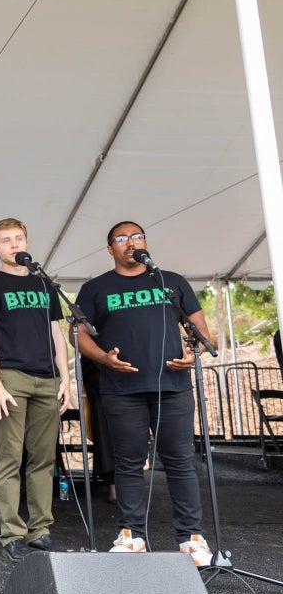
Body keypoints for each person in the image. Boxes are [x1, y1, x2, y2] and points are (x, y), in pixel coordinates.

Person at [75, 221, 213, 567]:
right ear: (110, 249)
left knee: (181, 461)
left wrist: (191, 352)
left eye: (136, 236)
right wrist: (103, 358)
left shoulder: (172, 281)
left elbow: (198, 327)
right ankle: (131, 534)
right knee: (128, 463)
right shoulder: (95, 288)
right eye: (121, 239)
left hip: (174, 387)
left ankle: (191, 538)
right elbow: (80, 336)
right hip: (122, 390)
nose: (130, 242)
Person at [0, 218, 70, 563]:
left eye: (18, 239)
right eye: (5, 240)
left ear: (27, 241)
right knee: (9, 458)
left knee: (43, 460)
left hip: (47, 379)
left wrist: (67, 379)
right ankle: (12, 533)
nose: (14, 245)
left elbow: (58, 334)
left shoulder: (45, 285)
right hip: (11, 377)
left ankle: (41, 530)